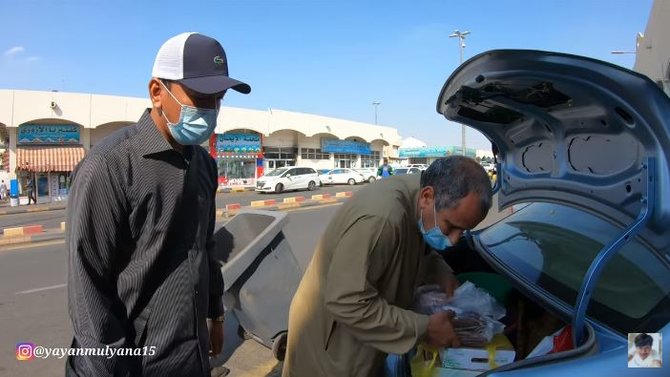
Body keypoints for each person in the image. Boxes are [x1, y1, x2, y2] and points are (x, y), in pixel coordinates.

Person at [65, 32, 250, 377]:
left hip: (191, 360)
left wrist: (216, 313)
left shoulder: (204, 165)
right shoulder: (110, 167)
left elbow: (204, 249)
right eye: (200, 97)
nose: (210, 111)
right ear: (156, 92)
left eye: (218, 99)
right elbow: (88, 292)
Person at [282, 156, 493, 377]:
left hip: (359, 337)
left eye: (463, 231)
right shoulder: (381, 220)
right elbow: (347, 302)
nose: (454, 240)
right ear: (428, 196)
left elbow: (416, 244)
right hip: (331, 344)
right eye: (450, 226)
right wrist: (424, 328)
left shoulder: (419, 200)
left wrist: (440, 272)